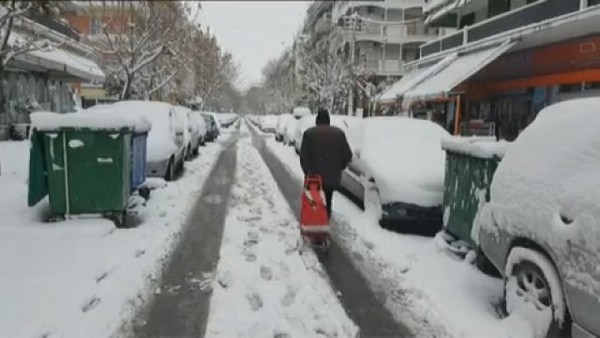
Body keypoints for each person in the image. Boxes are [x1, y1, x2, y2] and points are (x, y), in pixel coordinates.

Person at [300, 108, 353, 219]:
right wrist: (339, 167)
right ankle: (325, 222)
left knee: (314, 200)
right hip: (332, 177)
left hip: (314, 176)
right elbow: (348, 155)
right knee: (328, 199)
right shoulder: (339, 134)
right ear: (328, 120)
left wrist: (307, 171)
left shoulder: (309, 134)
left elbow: (304, 156)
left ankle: (314, 223)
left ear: (317, 120)